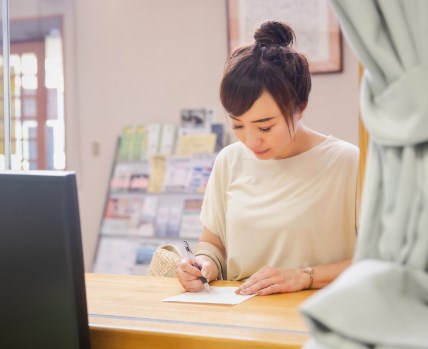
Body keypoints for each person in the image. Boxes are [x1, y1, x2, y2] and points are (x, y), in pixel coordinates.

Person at [176, 21, 359, 296]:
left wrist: (305, 277)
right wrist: (203, 264)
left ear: (300, 107)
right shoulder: (229, 161)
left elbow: (383, 259)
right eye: (238, 125)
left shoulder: (347, 163)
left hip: (316, 319)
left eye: (264, 127)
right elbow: (212, 244)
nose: (250, 141)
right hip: (239, 318)